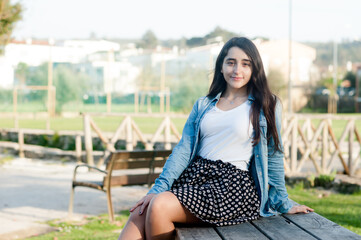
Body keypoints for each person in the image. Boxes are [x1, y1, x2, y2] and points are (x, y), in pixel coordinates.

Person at [118, 37, 314, 240]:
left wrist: (283, 202)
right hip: (195, 178)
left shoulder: (266, 104)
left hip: (231, 185)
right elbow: (183, 150)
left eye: (245, 64)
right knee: (140, 211)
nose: (237, 69)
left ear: (254, 69)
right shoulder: (204, 104)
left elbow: (273, 155)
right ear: (221, 66)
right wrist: (157, 189)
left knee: (159, 206)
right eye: (231, 62)